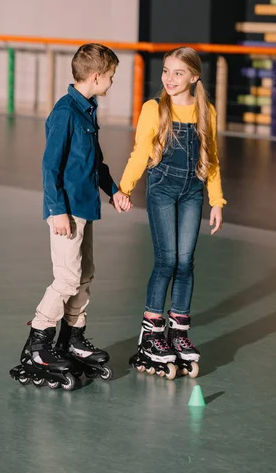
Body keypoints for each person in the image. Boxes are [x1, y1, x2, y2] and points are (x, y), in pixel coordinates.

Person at [11, 43, 132, 390]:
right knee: (65, 279)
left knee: (84, 275)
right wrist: (57, 210)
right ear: (95, 77)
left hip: (84, 207)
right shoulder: (65, 113)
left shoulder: (87, 110)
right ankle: (38, 344)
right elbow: (50, 168)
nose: (111, 83)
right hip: (66, 211)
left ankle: (71, 339)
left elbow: (96, 164)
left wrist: (115, 191)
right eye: (110, 77)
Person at [119, 46, 226, 379]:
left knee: (185, 261)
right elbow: (140, 152)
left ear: (194, 77)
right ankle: (152, 332)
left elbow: (212, 160)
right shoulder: (154, 108)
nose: (169, 78)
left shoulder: (206, 111)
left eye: (178, 73)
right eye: (166, 71)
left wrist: (217, 201)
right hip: (162, 190)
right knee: (166, 260)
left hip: (193, 192)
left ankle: (178, 330)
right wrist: (124, 187)